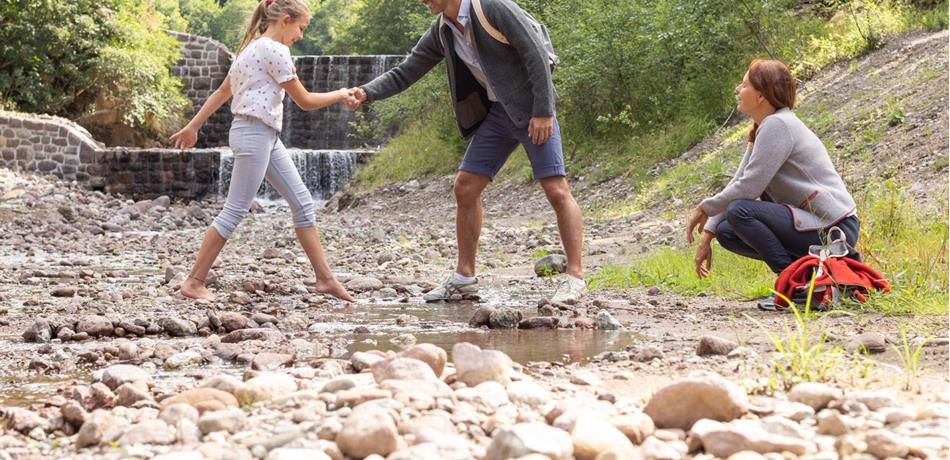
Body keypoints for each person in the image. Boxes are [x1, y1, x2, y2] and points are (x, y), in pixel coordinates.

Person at [345, 0, 586, 303]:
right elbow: (406, 71)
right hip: (499, 114)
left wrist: (543, 111)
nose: (422, 1)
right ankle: (464, 278)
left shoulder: (494, 7)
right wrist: (367, 92)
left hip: (531, 109)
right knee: (465, 186)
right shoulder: (442, 30)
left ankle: (575, 278)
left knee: (556, 189)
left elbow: (535, 51)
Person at [170, 0, 355, 302]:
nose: (301, 36)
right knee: (234, 212)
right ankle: (193, 282)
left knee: (303, 203)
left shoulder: (250, 48)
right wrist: (341, 94)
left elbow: (222, 92)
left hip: (264, 135)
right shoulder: (275, 50)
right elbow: (305, 101)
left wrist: (194, 126)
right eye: (301, 28)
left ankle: (325, 279)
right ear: (285, 20)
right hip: (254, 134)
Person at [686, 59, 860, 310]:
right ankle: (811, 281)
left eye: (744, 85)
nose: (738, 89)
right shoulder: (764, 127)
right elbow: (739, 180)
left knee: (740, 211)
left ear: (761, 95)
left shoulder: (778, 125)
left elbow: (748, 189)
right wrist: (709, 233)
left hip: (834, 227)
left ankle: (794, 286)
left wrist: (704, 207)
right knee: (727, 231)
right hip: (814, 223)